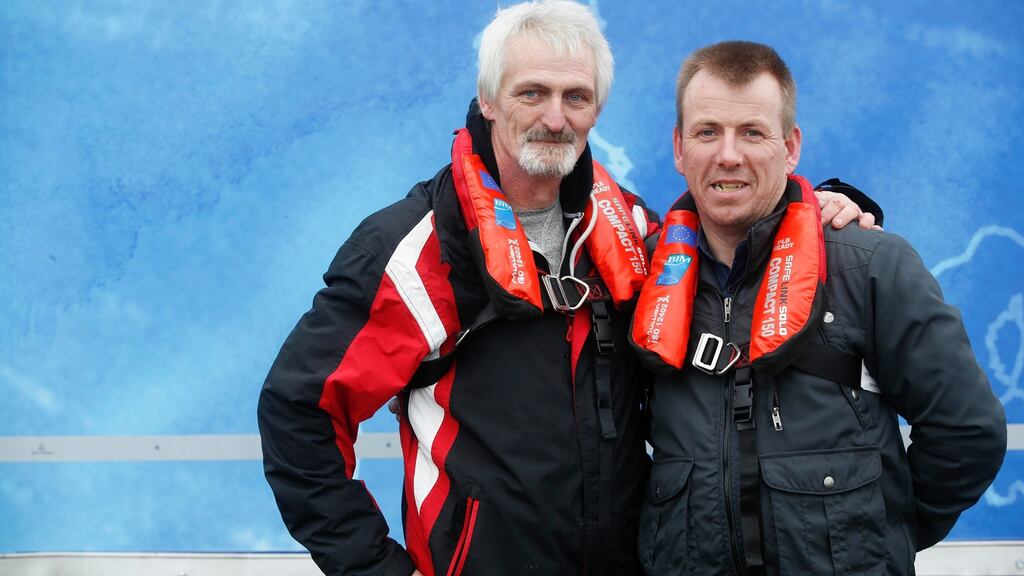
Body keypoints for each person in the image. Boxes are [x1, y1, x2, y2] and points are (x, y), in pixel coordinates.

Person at [258, 4, 874, 575]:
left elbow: (737, 262)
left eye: (576, 96)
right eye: (533, 92)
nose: (556, 117)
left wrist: (826, 207)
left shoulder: (632, 231)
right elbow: (298, 411)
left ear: (597, 110)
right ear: (489, 100)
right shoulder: (417, 251)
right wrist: (374, 567)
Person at [630, 40, 1007, 575]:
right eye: (707, 131)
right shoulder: (638, 280)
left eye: (752, 133)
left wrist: (884, 535)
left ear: (791, 147)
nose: (728, 155)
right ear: (678, 147)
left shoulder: (870, 266)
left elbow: (968, 433)